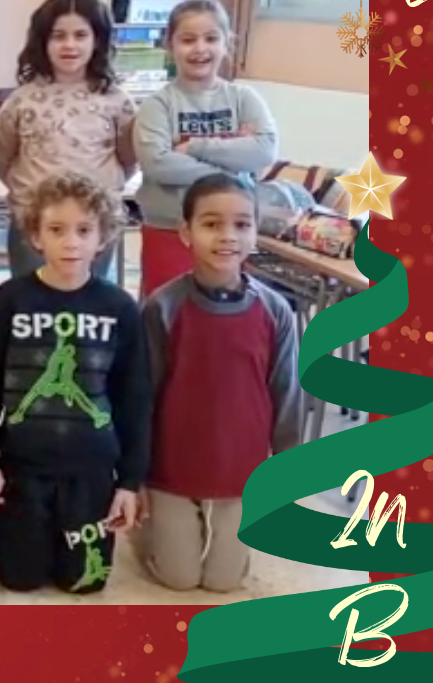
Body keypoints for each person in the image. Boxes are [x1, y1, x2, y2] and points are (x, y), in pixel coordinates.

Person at [0, 172, 150, 596]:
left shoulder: (119, 307)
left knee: (83, 581)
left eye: (83, 231)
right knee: (21, 579)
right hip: (23, 464)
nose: (71, 243)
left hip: (91, 469)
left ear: (103, 237)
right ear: (36, 236)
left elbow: (135, 399)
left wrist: (129, 482)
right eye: (56, 230)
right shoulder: (7, 301)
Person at [138, 173, 303, 593]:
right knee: (179, 579)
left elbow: (286, 393)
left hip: (240, 471)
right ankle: (154, 531)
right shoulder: (162, 307)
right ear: (186, 232)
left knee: (222, 582)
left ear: (255, 232)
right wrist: (133, 475)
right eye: (212, 224)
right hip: (172, 468)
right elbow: (142, 397)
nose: (228, 236)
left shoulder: (275, 311)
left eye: (242, 224)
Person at [133, 0, 277, 299]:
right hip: (169, 230)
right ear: (170, 46)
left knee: (224, 313)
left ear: (226, 43)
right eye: (188, 40)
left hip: (229, 231)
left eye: (211, 38)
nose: (200, 48)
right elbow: (157, 163)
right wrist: (231, 169)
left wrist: (195, 147)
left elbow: (265, 150)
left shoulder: (244, 99)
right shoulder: (157, 105)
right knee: (167, 314)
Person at [0, 0, 136, 281]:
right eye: (58, 36)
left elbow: (128, 160)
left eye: (80, 35)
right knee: (31, 300)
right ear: (43, 41)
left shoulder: (117, 101)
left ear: (97, 40)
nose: (69, 45)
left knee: (90, 301)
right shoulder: (21, 101)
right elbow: (1, 158)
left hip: (94, 226)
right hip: (34, 225)